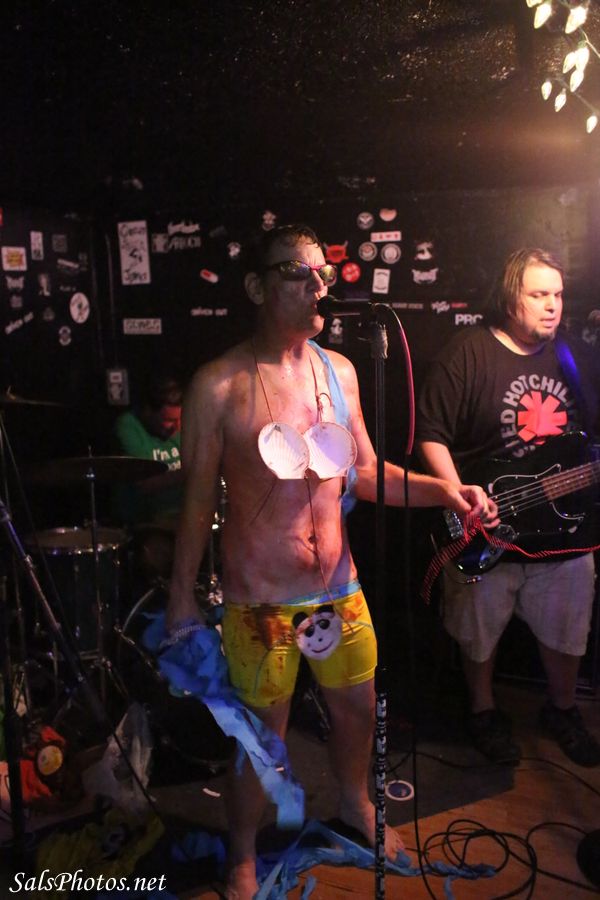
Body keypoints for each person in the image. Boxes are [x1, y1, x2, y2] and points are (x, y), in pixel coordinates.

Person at [165, 223, 493, 900]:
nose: (319, 286)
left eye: (324, 273)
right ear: (257, 287)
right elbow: (196, 503)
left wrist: (446, 492)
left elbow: (366, 473)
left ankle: (354, 801)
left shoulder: (339, 371)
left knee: (356, 710)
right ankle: (243, 851)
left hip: (339, 591)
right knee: (262, 739)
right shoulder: (218, 385)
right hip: (261, 601)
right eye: (299, 273)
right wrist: (180, 596)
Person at [417, 247, 600, 767]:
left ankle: (562, 709)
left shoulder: (574, 357)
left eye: (557, 294)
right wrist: (459, 496)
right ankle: (483, 711)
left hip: (563, 530)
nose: (552, 305)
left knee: (569, 629)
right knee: (478, 634)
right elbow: (431, 434)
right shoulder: (468, 353)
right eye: (539, 294)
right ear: (509, 296)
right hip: (488, 527)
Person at [113, 372, 184, 580]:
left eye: (179, 419)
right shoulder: (128, 426)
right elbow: (145, 483)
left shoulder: (181, 427)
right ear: (147, 412)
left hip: (183, 519)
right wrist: (194, 471)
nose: (177, 427)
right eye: (169, 420)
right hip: (146, 524)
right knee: (156, 554)